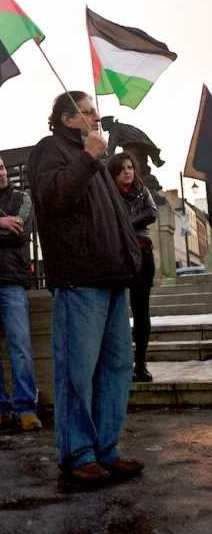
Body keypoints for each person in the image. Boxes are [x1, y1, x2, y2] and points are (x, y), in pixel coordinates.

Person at [28, 91, 144, 486]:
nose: (97, 117)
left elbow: (115, 218)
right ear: (67, 119)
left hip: (112, 278)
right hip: (80, 279)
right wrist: (88, 157)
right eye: (89, 112)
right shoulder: (51, 150)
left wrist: (132, 257)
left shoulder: (96, 163)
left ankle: (105, 449)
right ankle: (78, 453)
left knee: (116, 367)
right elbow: (53, 197)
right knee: (77, 372)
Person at [0, 153, 42, 431]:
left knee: (20, 347)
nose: (1, 173)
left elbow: (20, 232)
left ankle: (25, 407)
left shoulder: (22, 198)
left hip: (12, 281)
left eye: (2, 168)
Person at [107, 151, 157, 382]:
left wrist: (125, 224)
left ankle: (141, 363)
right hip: (119, 254)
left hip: (142, 253)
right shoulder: (108, 195)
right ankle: (117, 364)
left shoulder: (142, 191)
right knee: (115, 309)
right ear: (114, 174)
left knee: (141, 310)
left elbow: (151, 213)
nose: (127, 172)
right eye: (121, 169)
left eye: (129, 167)